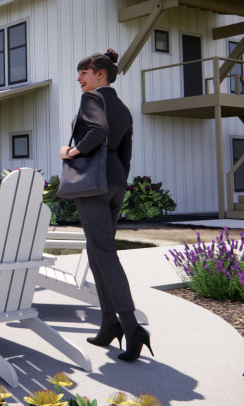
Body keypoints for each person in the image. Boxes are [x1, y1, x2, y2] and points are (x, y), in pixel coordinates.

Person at [59, 48, 149, 362]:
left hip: (93, 185)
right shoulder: (123, 108)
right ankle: (109, 323)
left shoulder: (92, 99)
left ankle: (131, 325)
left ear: (100, 74)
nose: (79, 78)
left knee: (102, 252)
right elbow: (126, 154)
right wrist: (117, 184)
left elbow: (99, 131)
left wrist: (72, 152)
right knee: (98, 251)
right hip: (114, 184)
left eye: (83, 72)